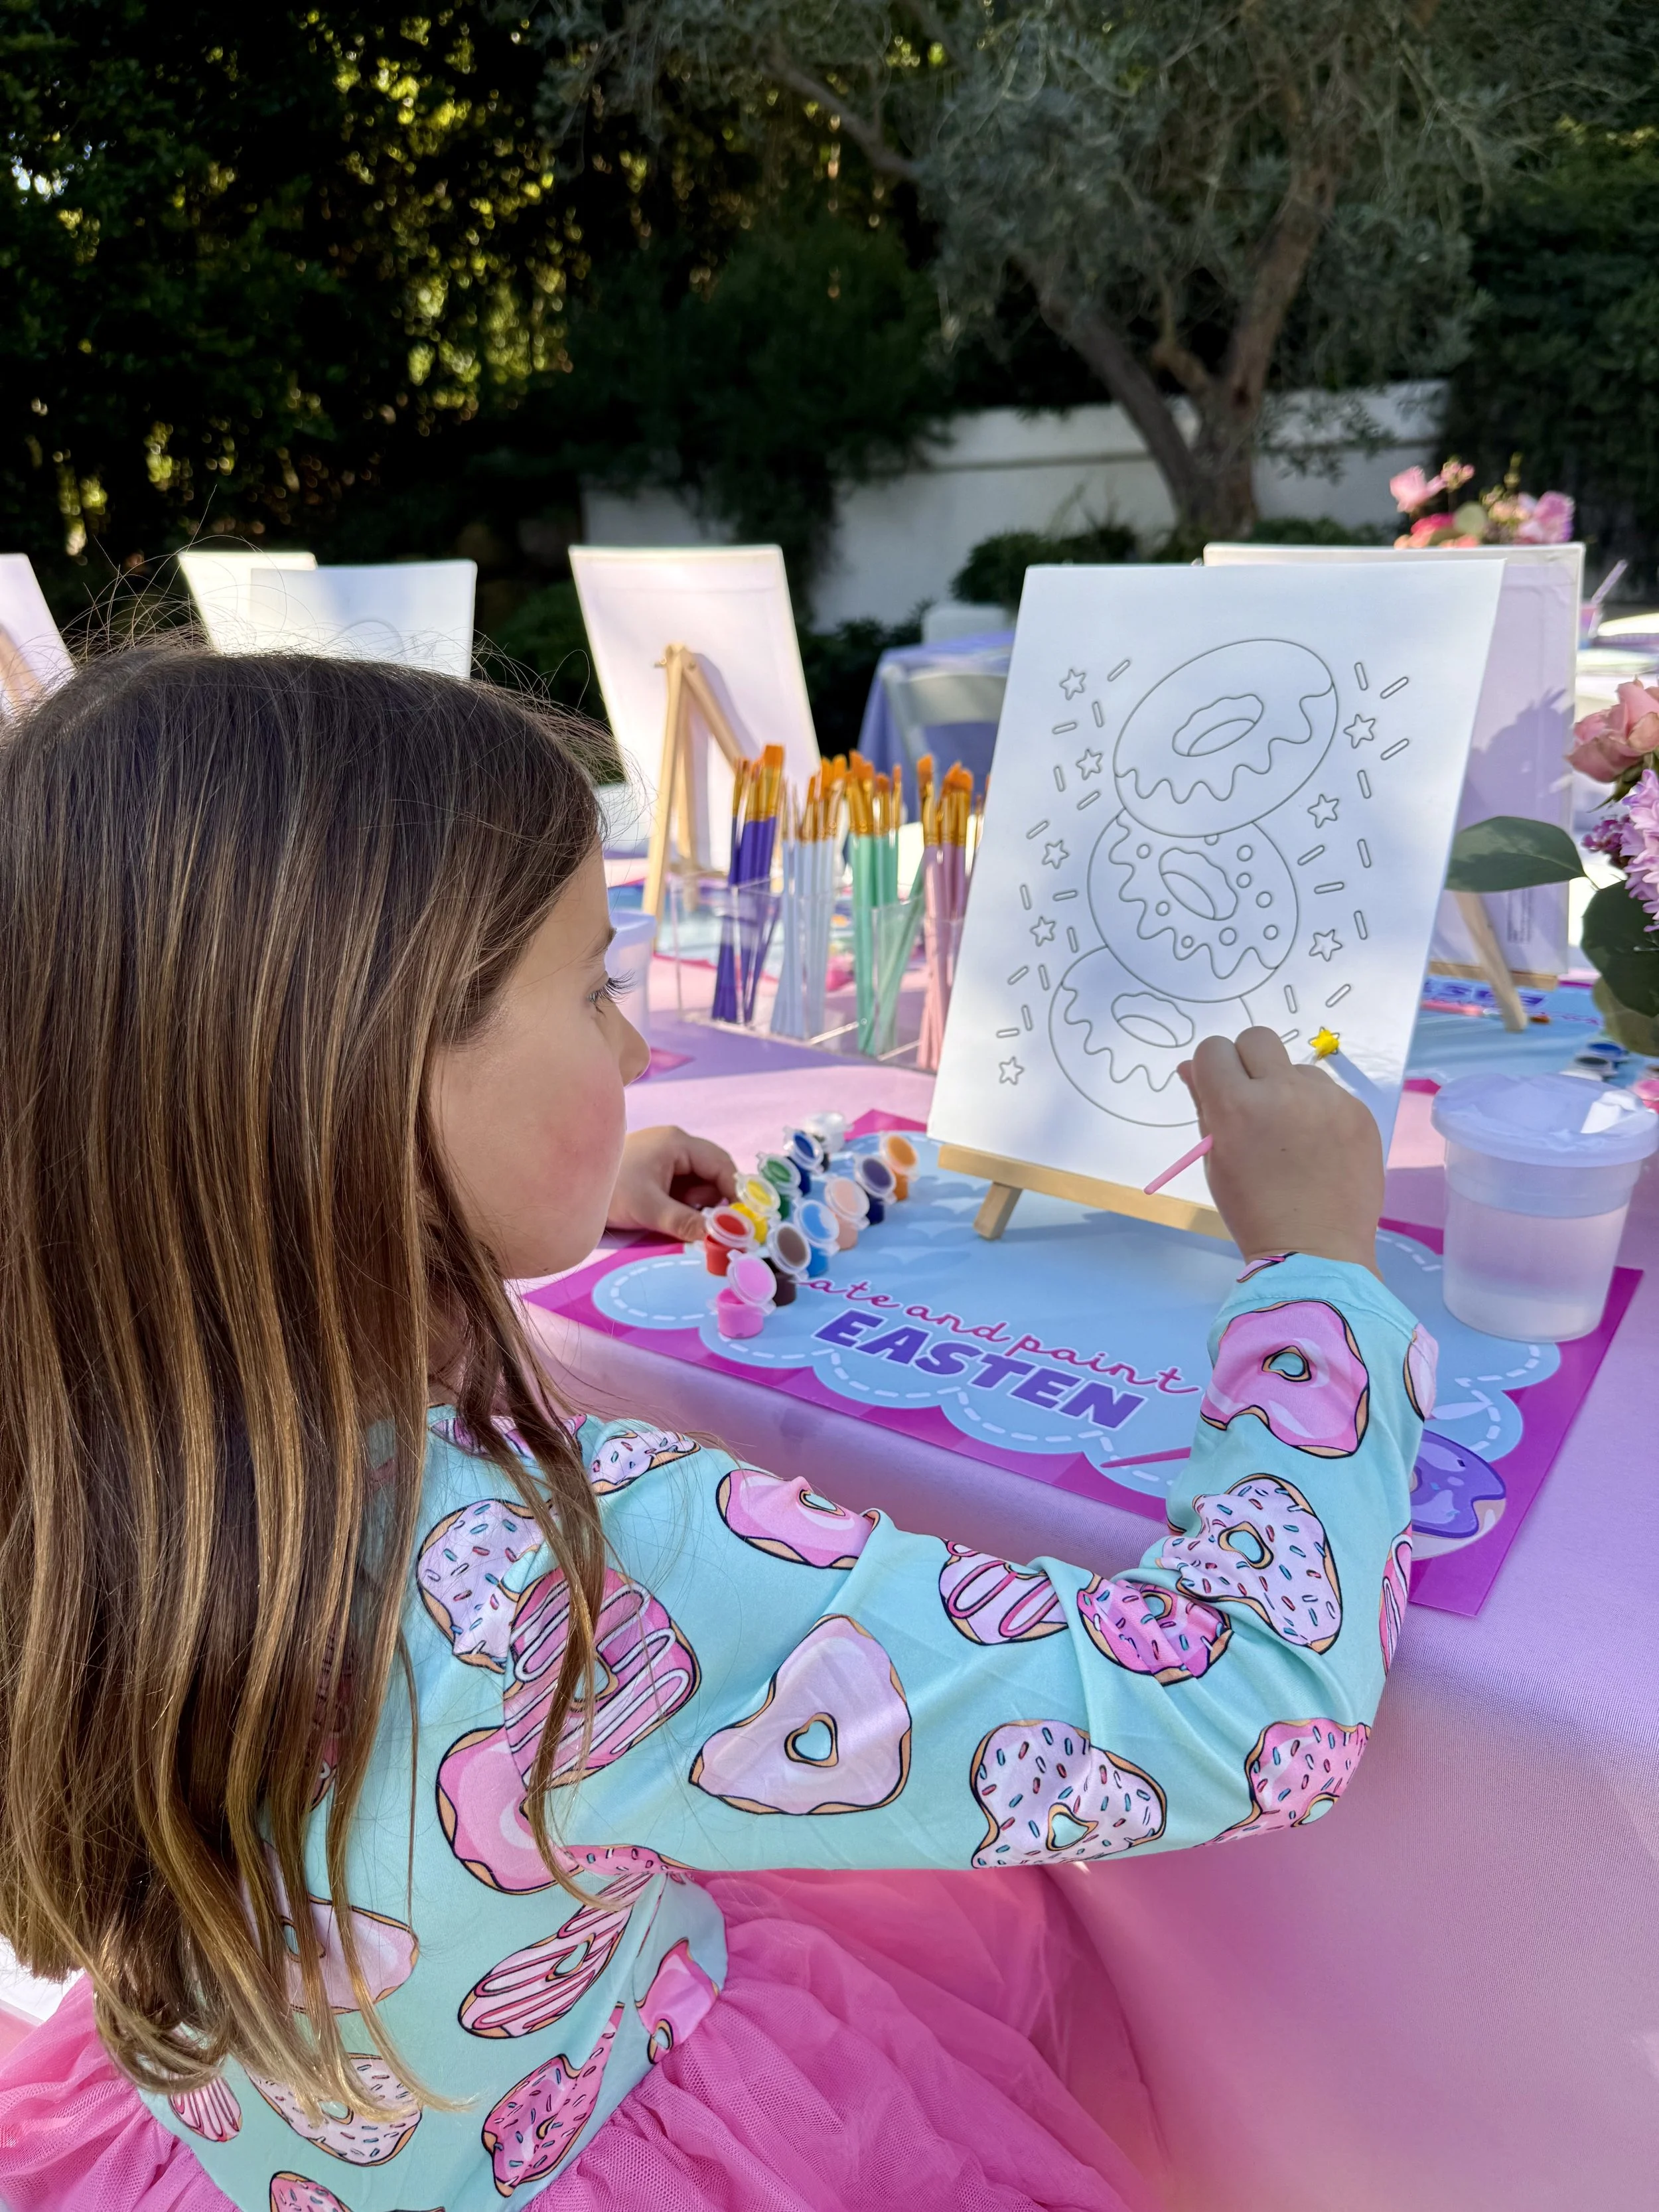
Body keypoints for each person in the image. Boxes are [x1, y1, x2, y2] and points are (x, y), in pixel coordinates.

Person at [0, 649, 1425, 2212]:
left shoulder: (62, 1453)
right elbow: (1247, 1707)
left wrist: (476, 1215)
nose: (632, 1049)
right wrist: (1315, 1273)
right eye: (596, 983)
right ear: (370, 1090)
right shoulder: (586, 1575)